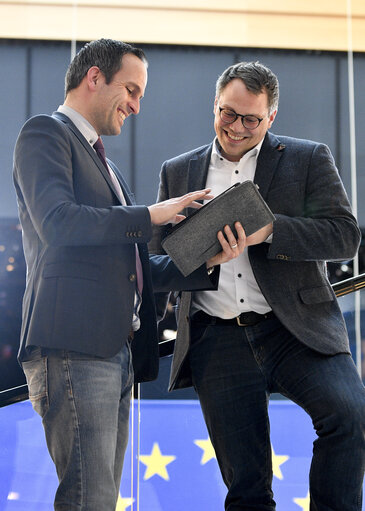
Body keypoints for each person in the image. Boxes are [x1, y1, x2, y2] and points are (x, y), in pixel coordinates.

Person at [12, 39, 246, 511]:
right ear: (94, 77)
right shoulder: (45, 133)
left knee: (101, 497)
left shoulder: (107, 165)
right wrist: (152, 214)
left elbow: (132, 271)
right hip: (76, 345)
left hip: (114, 351)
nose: (137, 107)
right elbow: (57, 222)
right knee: (89, 498)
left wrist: (205, 261)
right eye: (132, 90)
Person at [150, 61, 365, 510]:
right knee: (247, 488)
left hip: (296, 330)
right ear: (215, 105)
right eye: (229, 113)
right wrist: (204, 257)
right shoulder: (178, 171)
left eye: (251, 119)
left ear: (271, 118)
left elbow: (344, 236)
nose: (237, 127)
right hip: (217, 337)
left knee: (352, 418)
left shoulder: (308, 158)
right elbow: (156, 262)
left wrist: (268, 231)